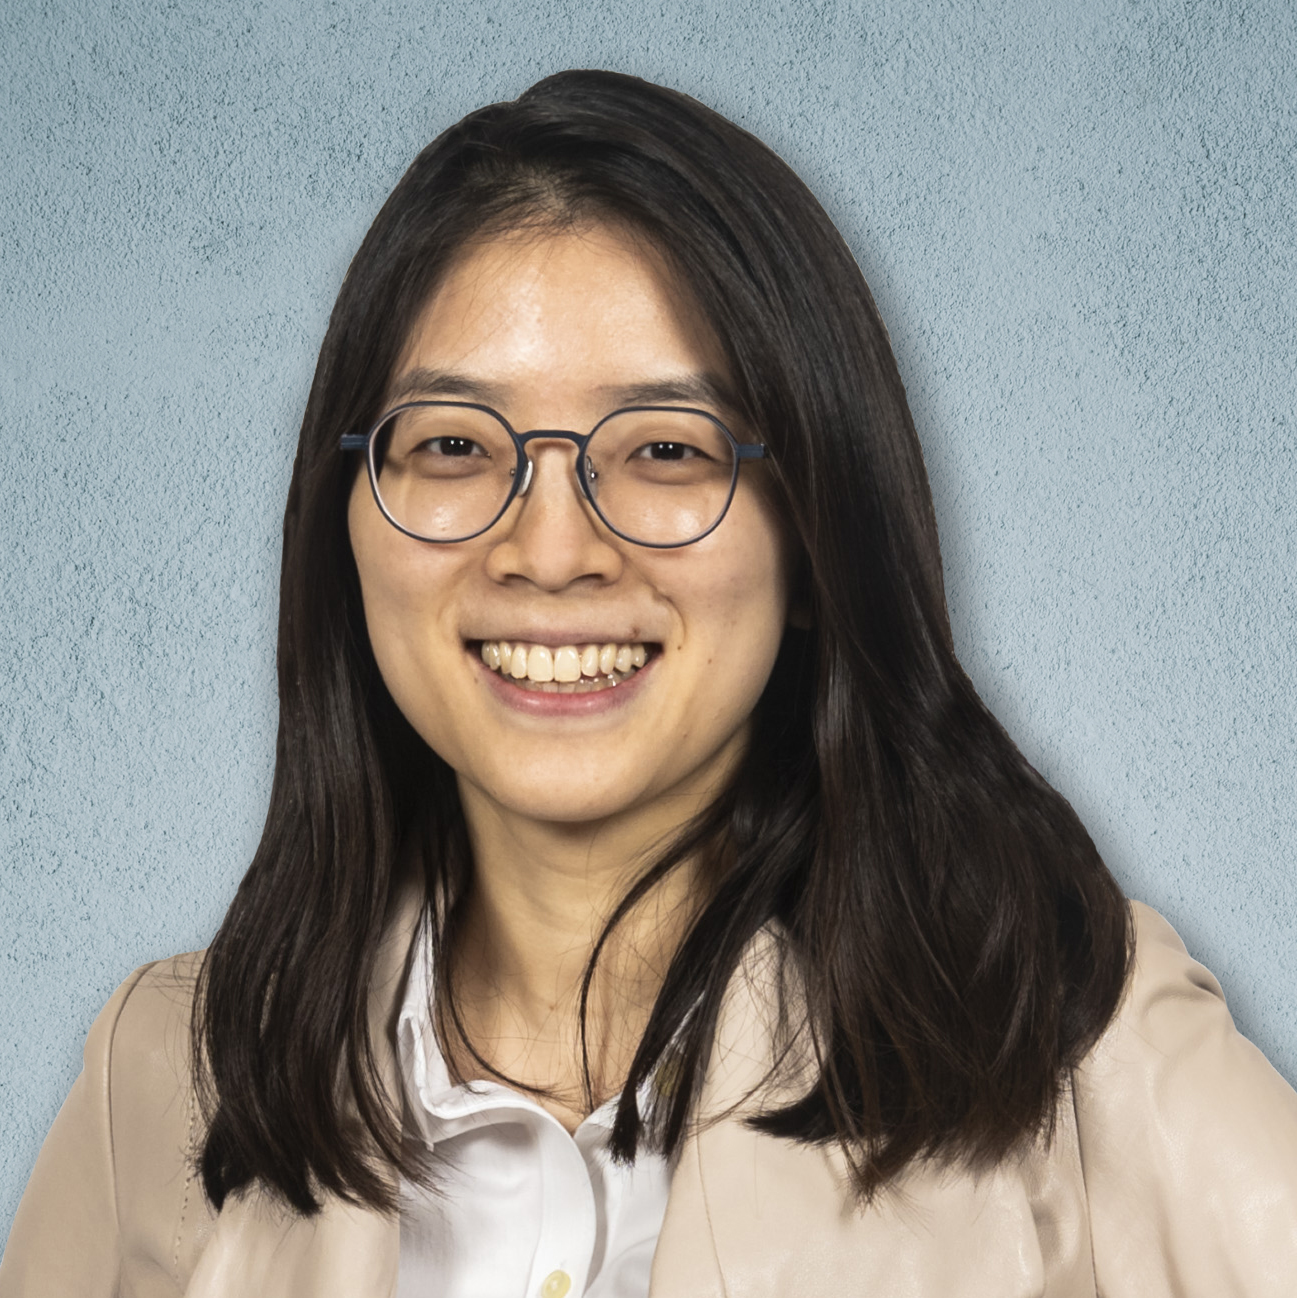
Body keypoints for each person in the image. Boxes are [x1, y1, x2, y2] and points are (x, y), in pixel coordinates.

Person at [3, 68, 1295, 1298]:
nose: (551, 548)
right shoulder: (173, 1074)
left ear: (813, 526)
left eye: (664, 448)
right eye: (453, 441)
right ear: (342, 518)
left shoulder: (1066, 1037)